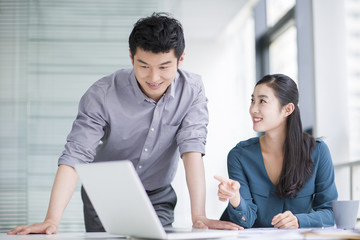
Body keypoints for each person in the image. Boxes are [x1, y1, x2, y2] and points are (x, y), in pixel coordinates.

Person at [8, 12, 242, 235]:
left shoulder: (192, 90)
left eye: (164, 67)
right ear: (131, 57)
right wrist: (52, 219)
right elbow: (76, 155)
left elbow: (192, 148)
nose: (153, 78)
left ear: (180, 59)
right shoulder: (102, 94)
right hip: (105, 193)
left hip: (157, 194)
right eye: (143, 66)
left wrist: (198, 216)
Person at [215, 74, 338, 228]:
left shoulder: (317, 151)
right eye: (252, 100)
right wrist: (235, 198)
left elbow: (330, 212)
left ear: (287, 109)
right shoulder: (239, 156)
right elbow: (246, 220)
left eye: (262, 101)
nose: (253, 109)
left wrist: (299, 221)